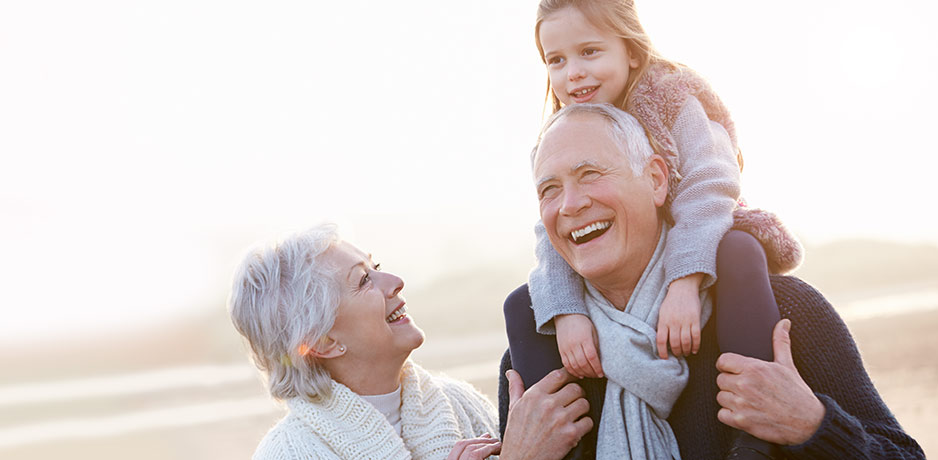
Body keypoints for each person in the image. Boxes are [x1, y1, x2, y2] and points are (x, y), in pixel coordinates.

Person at [499, 103, 923, 459]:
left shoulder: (784, 314)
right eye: (549, 189)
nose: (571, 204)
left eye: (590, 174)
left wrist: (812, 424)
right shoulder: (534, 360)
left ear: (656, 179)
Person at [516, 0, 800, 455]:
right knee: (521, 305)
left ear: (631, 50)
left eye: (590, 52)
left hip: (705, 229)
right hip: (626, 264)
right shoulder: (561, 135)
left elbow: (711, 184)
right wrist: (567, 312)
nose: (574, 73)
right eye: (556, 60)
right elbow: (552, 234)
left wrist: (684, 282)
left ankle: (755, 426)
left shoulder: (671, 96)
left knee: (740, 250)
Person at [229, 225, 585, 460]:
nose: (395, 281)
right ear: (322, 341)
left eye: (377, 265)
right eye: (363, 280)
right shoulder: (288, 453)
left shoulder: (460, 403)